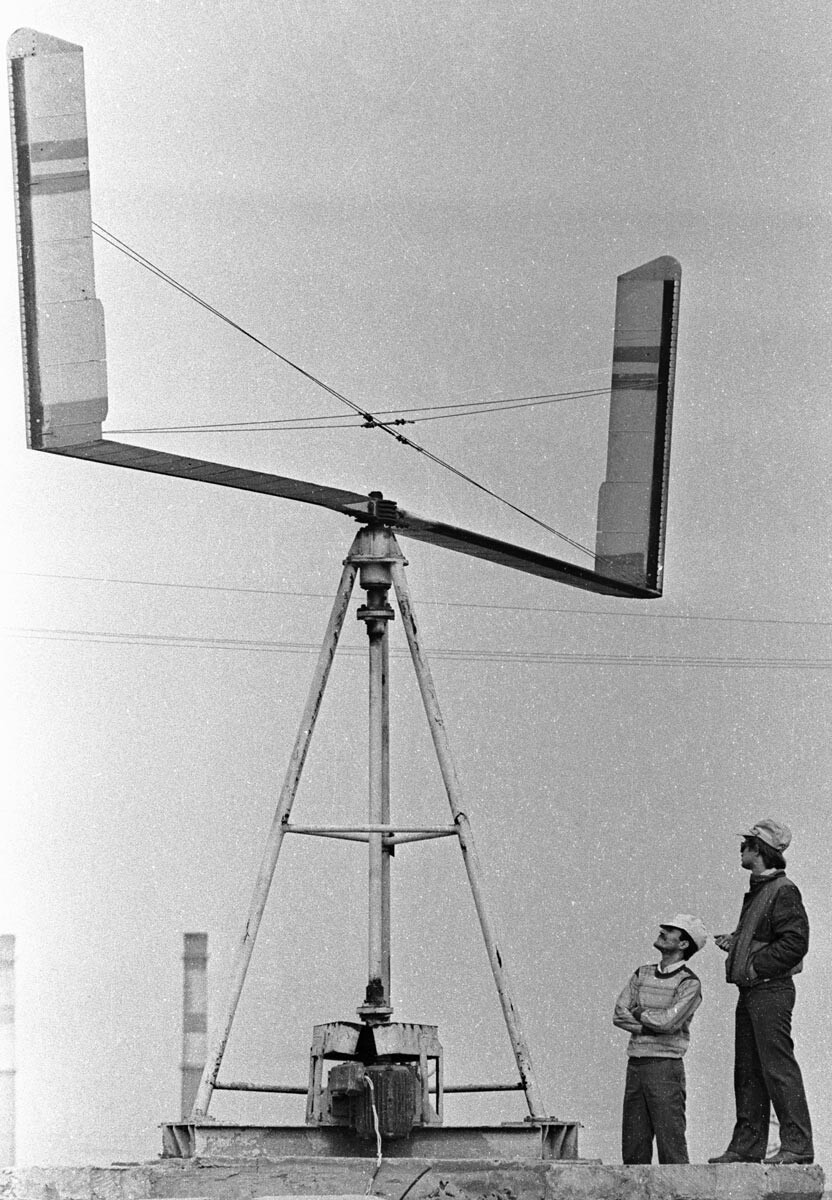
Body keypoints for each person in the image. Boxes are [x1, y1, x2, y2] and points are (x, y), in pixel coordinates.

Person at [709, 819, 813, 1165]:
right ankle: (746, 1147)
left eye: (747, 843)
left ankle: (797, 1146)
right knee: (749, 1070)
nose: (741, 848)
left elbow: (795, 944)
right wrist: (739, 946)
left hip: (771, 991)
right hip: (754, 992)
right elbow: (771, 939)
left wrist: (753, 963)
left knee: (777, 1069)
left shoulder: (783, 890)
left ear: (759, 849)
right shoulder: (762, 889)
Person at [613, 914, 706, 1164]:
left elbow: (669, 1022)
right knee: (633, 1145)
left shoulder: (689, 983)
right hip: (636, 1065)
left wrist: (640, 1012)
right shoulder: (642, 973)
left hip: (666, 1067)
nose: (663, 930)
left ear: (684, 944)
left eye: (672, 929)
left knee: (671, 1143)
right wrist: (648, 1027)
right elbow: (619, 1014)